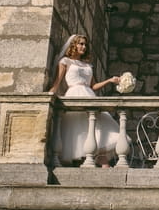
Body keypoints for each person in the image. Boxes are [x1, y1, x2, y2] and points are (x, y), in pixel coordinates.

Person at [48, 34, 121, 167]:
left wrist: (109, 80)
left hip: (89, 95)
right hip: (74, 95)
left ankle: (101, 161)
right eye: (80, 44)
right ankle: (85, 160)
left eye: (85, 44)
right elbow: (57, 83)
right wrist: (49, 96)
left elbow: (93, 86)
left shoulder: (88, 65)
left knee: (98, 127)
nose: (84, 46)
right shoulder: (65, 62)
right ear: (73, 45)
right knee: (79, 129)